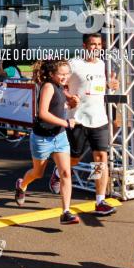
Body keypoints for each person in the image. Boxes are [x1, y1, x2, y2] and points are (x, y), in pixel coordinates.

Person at [49, 33, 118, 216]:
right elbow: (60, 84)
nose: (96, 48)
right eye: (92, 44)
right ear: (84, 46)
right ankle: (58, 171)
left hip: (99, 119)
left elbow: (97, 87)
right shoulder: (73, 64)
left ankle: (100, 200)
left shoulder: (103, 64)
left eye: (98, 44)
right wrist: (69, 97)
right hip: (77, 119)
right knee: (75, 159)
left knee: (100, 158)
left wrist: (110, 85)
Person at [14, 59, 80, 225]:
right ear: (52, 74)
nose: (65, 77)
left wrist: (72, 100)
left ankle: (66, 212)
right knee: (37, 173)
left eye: (67, 73)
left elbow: (61, 104)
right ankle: (22, 185)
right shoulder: (48, 86)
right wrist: (66, 123)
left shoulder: (59, 86)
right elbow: (43, 113)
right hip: (42, 138)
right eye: (62, 74)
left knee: (65, 173)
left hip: (59, 136)